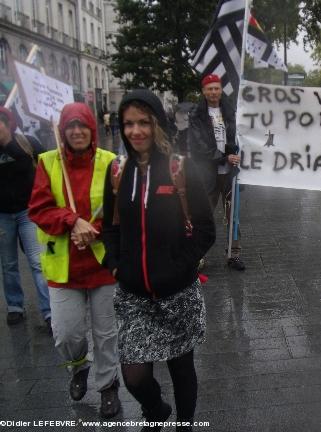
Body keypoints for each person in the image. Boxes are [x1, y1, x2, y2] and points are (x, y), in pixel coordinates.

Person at [103, 89, 215, 432]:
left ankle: (185, 424)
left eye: (144, 122)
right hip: (135, 293)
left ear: (158, 124)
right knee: (134, 375)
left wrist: (180, 266)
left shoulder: (180, 167)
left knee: (182, 367)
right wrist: (116, 264)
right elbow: (109, 225)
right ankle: (155, 409)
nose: (136, 131)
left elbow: (205, 230)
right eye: (129, 124)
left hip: (177, 292)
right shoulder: (117, 170)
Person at [28, 102, 121, 418]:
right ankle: (79, 366)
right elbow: (39, 209)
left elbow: (121, 209)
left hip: (102, 264)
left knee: (107, 333)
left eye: (83, 125)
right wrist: (71, 221)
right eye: (71, 126)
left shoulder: (110, 162)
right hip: (63, 266)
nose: (77, 131)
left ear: (92, 129)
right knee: (68, 333)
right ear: (62, 130)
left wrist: (93, 229)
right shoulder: (47, 162)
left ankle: (108, 385)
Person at [0, 107, 51, 328]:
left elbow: (46, 166)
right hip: (3, 214)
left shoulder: (27, 143)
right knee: (9, 263)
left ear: (7, 124)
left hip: (28, 212)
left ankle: (49, 311)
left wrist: (7, 143)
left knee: (37, 261)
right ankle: (15, 306)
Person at [188, 74, 245, 270]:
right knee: (203, 215)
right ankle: (197, 255)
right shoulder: (196, 114)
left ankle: (233, 254)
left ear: (221, 90)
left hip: (229, 174)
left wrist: (237, 155)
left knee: (233, 215)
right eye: (209, 89)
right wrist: (223, 158)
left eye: (216, 88)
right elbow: (198, 146)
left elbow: (240, 138)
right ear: (203, 91)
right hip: (207, 173)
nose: (213, 92)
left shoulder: (232, 112)